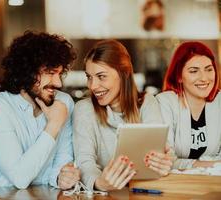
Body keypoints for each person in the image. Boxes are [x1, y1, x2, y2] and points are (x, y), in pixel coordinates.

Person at [0, 31, 80, 189]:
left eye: (60, 73)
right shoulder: (0, 108)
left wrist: (61, 177)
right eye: (50, 73)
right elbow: (20, 178)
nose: (58, 83)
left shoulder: (64, 102)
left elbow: (62, 160)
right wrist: (53, 126)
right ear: (26, 71)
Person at [73, 39, 173, 191]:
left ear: (124, 74)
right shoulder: (84, 109)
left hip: (141, 193)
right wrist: (99, 182)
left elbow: (163, 152)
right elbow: (84, 162)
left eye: (101, 76)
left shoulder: (147, 103)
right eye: (89, 77)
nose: (92, 86)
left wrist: (164, 162)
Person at [156, 41, 221, 170]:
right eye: (194, 71)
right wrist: (211, 164)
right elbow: (165, 161)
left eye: (209, 69)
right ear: (179, 76)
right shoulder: (165, 103)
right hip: (177, 185)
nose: (204, 78)